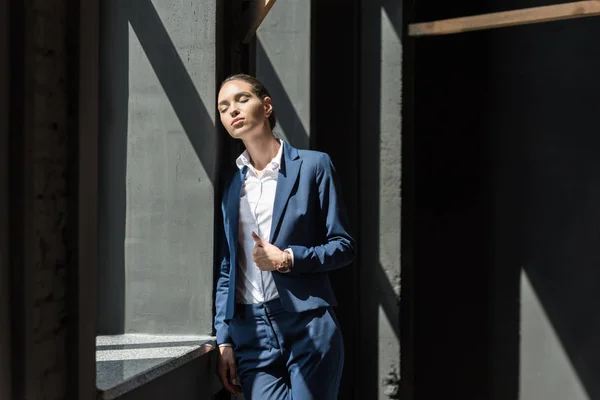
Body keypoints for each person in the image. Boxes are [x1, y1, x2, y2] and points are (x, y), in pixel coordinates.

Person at [214, 74, 356, 400]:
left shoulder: (313, 166)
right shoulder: (231, 184)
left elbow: (343, 245)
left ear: (266, 106)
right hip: (250, 332)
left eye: (241, 100)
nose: (232, 110)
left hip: (306, 323)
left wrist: (287, 258)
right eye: (223, 108)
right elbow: (227, 266)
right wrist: (224, 338)